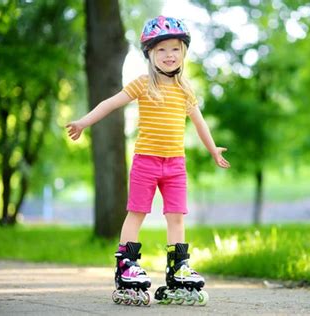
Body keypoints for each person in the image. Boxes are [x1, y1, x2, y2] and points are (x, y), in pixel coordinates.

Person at [66, 16, 230, 306]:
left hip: (175, 165)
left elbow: (199, 122)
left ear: (183, 53)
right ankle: (126, 265)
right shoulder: (142, 84)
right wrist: (83, 122)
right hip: (146, 162)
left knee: (176, 216)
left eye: (175, 49)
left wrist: (213, 149)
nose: (169, 55)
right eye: (162, 50)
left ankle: (178, 268)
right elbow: (110, 103)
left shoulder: (185, 89)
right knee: (137, 212)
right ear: (150, 55)